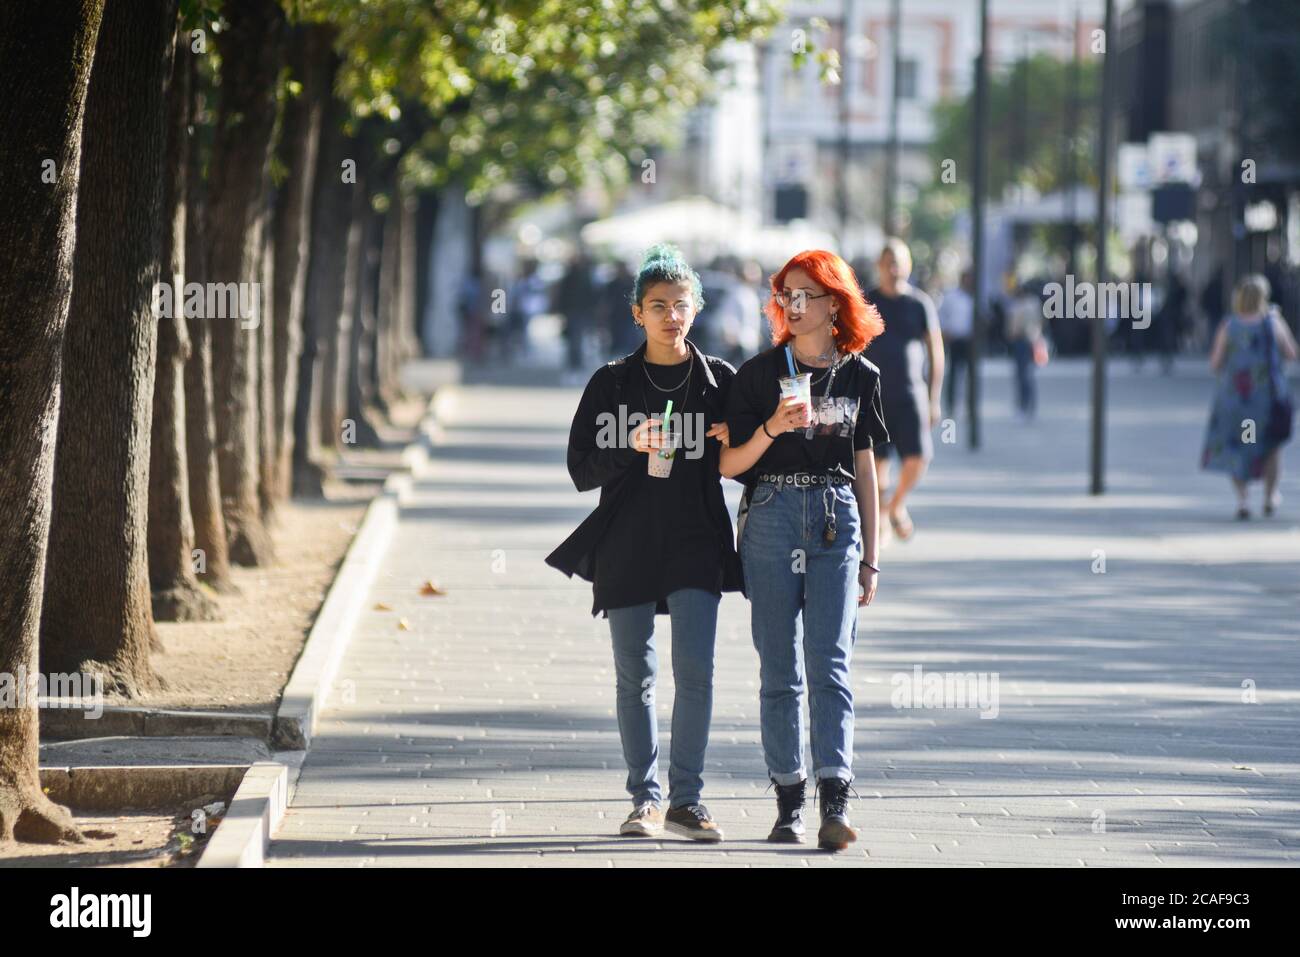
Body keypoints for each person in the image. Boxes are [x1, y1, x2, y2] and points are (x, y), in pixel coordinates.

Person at [545, 243, 741, 843]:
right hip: (627, 540)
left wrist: (735, 437)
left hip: (695, 539)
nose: (670, 316)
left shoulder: (720, 382)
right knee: (636, 675)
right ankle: (646, 800)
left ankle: (689, 798)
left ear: (697, 309)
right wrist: (628, 446)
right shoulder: (611, 383)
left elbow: (747, 462)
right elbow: (580, 467)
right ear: (637, 313)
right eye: (657, 306)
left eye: (681, 305)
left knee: (697, 672)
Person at [720, 249, 888, 851]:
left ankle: (834, 801)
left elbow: (865, 467)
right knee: (779, 666)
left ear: (833, 304)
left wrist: (872, 554)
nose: (792, 305)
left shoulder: (859, 375)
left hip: (835, 521)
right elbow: (727, 461)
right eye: (785, 294)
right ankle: (787, 800)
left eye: (805, 294)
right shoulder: (759, 374)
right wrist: (773, 428)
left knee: (830, 661)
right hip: (770, 515)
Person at [863, 238, 943, 542]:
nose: (893, 268)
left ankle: (894, 507)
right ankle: (880, 518)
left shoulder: (919, 303)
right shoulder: (868, 302)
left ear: (908, 266)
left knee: (918, 458)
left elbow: (936, 350)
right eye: (888, 262)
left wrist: (935, 398)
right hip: (874, 397)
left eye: (899, 262)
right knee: (876, 463)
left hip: (912, 394)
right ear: (879, 266)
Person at [1201, 274, 1297, 519]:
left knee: (1239, 446)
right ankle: (1269, 495)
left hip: (1237, 402)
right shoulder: (1273, 322)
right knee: (1271, 447)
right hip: (1266, 401)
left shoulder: (1229, 325)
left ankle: (1243, 500)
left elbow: (1215, 363)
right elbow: (1291, 352)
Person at [1005, 280, 1047, 421]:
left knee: (1025, 376)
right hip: (1021, 341)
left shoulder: (1029, 304)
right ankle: (1025, 406)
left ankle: (1026, 406)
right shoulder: (1019, 304)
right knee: (1023, 375)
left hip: (1027, 340)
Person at [937, 268, 974, 416]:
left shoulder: (975, 297)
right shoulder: (951, 297)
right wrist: (945, 332)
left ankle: (971, 407)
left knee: (971, 376)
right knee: (953, 374)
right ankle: (951, 406)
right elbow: (942, 316)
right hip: (955, 340)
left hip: (970, 341)